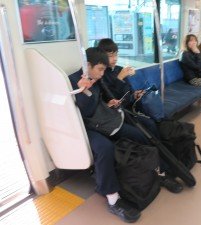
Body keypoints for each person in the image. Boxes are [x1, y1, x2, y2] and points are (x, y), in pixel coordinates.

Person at [97, 38, 183, 193]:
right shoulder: (101, 75)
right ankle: (161, 171)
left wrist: (135, 94)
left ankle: (164, 161)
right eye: (110, 55)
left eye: (115, 54)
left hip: (129, 111)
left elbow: (127, 93)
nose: (114, 58)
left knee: (151, 125)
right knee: (142, 135)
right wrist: (119, 79)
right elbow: (108, 97)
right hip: (115, 117)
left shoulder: (118, 70)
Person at [69, 47, 143, 223]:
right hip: (84, 126)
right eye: (100, 69)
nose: (102, 74)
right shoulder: (73, 81)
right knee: (104, 148)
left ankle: (147, 170)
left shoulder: (96, 79)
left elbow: (97, 102)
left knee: (136, 134)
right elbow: (83, 112)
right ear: (88, 65)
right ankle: (113, 199)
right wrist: (82, 92)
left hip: (102, 120)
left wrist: (107, 102)